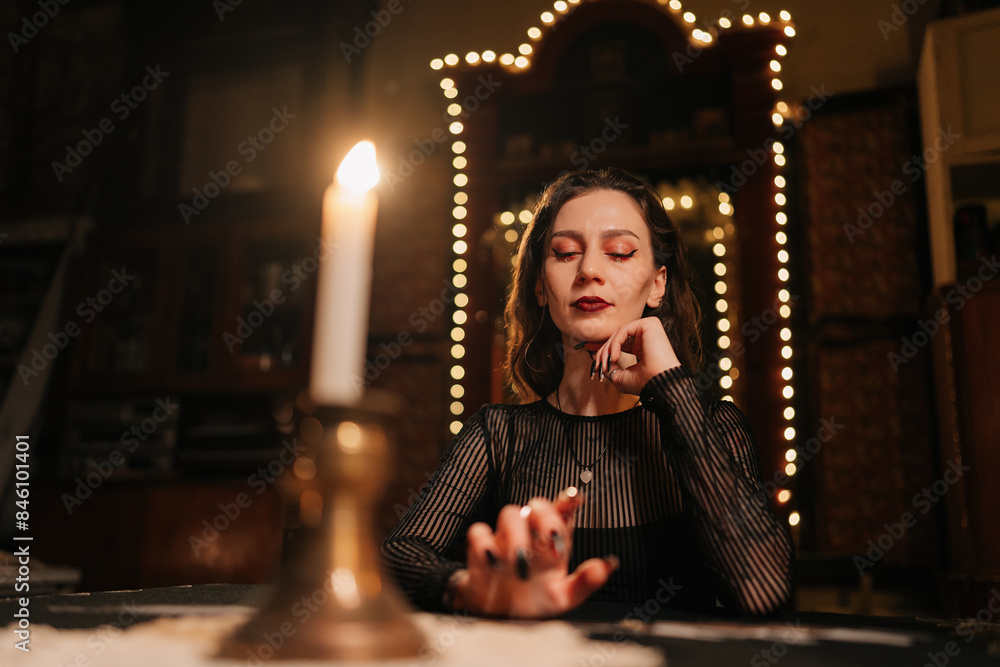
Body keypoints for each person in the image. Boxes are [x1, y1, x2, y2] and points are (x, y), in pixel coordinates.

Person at [380, 168, 794, 619]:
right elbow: (394, 559)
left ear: (657, 283)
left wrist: (673, 391)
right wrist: (470, 586)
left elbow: (765, 594)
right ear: (540, 285)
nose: (589, 271)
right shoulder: (497, 436)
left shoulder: (714, 426)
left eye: (618, 253)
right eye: (565, 253)